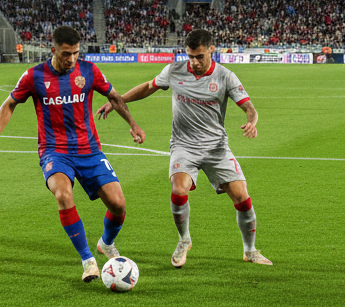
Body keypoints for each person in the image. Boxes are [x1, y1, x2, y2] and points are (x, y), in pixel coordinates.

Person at [0, 26, 145, 283]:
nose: (71, 59)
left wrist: (133, 124)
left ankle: (106, 243)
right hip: (54, 151)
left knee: (119, 205)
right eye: (66, 53)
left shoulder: (89, 71)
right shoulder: (34, 76)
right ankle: (88, 260)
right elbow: (9, 103)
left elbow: (114, 97)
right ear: (53, 48)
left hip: (89, 150)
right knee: (63, 194)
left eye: (75, 53)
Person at [99, 28, 271, 268]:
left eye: (199, 56)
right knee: (179, 190)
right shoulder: (175, 70)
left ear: (212, 50)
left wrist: (252, 122)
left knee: (242, 196)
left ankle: (250, 250)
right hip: (184, 145)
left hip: (216, 148)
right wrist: (117, 100)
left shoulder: (226, 76)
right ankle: (184, 240)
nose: (194, 62)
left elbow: (250, 108)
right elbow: (149, 86)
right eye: (190, 56)